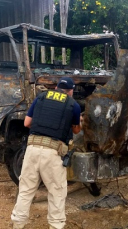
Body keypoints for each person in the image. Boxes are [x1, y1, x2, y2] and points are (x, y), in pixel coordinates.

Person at [11, 77, 81, 229]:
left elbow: (27, 123)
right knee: (56, 192)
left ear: (56, 88)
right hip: (53, 153)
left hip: (32, 149)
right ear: (70, 91)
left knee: (26, 189)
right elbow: (76, 130)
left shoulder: (41, 97)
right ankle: (56, 226)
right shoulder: (73, 104)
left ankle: (18, 224)